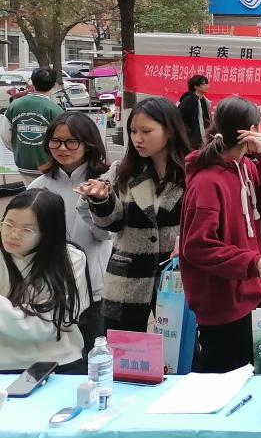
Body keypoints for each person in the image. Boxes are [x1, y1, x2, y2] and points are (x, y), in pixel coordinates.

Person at [178, 98, 261, 372]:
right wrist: (252, 262)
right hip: (222, 301)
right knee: (226, 375)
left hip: (248, 289)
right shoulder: (207, 181)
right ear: (253, 129)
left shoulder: (246, 167)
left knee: (247, 370)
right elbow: (197, 246)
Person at [77, 98, 191, 334]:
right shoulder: (122, 171)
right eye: (133, 131)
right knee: (123, 347)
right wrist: (101, 200)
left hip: (176, 278)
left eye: (146, 131)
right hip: (126, 278)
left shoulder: (191, 173)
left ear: (170, 131)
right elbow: (112, 224)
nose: (137, 138)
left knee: (179, 346)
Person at [31, 112, 111, 353]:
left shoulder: (103, 183)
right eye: (55, 141)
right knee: (58, 357)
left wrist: (94, 204)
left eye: (71, 142)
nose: (62, 148)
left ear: (88, 144)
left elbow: (104, 234)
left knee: (93, 354)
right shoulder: (39, 187)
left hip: (94, 288)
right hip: (51, 289)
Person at [0, 189, 90, 374]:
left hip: (58, 362)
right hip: (4, 365)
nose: (13, 235)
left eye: (27, 230)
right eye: (8, 224)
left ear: (48, 233)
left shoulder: (71, 259)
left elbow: (47, 325)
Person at [2, 67, 65, 186]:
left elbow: (5, 135)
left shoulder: (14, 105)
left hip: (23, 164)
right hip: (48, 166)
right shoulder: (56, 110)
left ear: (33, 83)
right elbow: (63, 139)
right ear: (53, 85)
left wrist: (18, 148)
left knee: (31, 193)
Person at [177, 74, 211, 150]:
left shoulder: (204, 101)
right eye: (204, 84)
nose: (207, 86)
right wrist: (189, 134)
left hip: (203, 140)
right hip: (192, 141)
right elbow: (179, 118)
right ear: (196, 86)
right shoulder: (188, 100)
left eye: (207, 84)